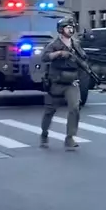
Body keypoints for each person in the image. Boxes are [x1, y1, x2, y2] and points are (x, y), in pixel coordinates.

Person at [40, 17, 89, 151]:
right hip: (56, 82)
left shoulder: (75, 44)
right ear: (61, 29)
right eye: (68, 27)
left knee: (74, 107)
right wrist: (59, 53)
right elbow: (44, 57)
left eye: (72, 27)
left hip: (71, 81)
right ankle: (44, 133)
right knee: (50, 111)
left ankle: (70, 138)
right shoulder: (54, 44)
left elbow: (83, 58)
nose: (71, 29)